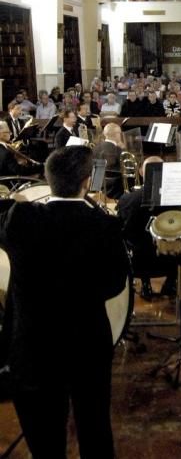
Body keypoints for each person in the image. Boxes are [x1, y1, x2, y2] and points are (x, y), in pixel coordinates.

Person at [0, 146, 128, 458]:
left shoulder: (20, 219)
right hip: (86, 342)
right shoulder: (104, 226)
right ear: (87, 182)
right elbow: (114, 285)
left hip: (33, 345)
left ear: (48, 179)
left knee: (44, 439)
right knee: (95, 429)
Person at [117, 157, 177, 300]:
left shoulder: (126, 199)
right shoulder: (174, 201)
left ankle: (145, 283)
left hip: (137, 263)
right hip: (167, 261)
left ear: (141, 172)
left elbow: (122, 230)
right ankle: (171, 283)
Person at [93, 122, 124, 199]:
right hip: (115, 190)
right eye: (120, 133)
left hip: (97, 186)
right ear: (116, 134)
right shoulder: (118, 150)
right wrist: (123, 148)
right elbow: (126, 170)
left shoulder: (95, 148)